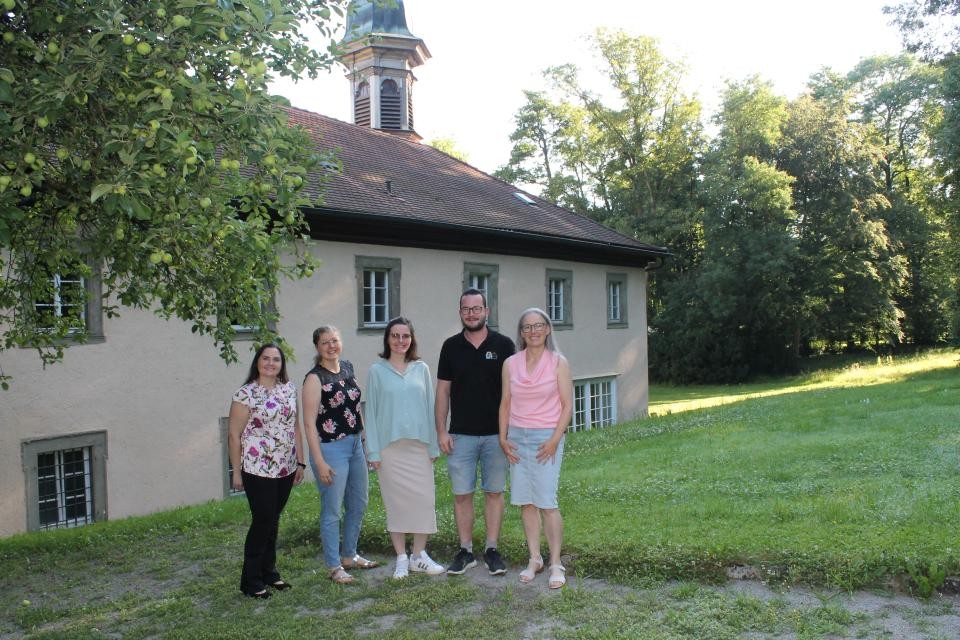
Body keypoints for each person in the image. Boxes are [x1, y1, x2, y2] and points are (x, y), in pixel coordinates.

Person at [436, 289, 515, 575]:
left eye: (476, 308)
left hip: (497, 436)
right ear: (460, 313)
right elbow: (443, 392)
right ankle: (465, 551)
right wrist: (441, 431)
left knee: (494, 492)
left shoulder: (504, 345)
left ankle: (492, 549)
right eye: (466, 309)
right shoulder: (450, 347)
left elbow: (513, 392)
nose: (472, 313)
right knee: (462, 495)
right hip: (461, 435)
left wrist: (510, 433)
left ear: (486, 311)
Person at [499, 309, 573, 589]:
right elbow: (505, 403)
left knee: (547, 502)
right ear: (521, 333)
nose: (533, 331)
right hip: (517, 437)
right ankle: (535, 558)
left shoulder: (558, 362)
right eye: (527, 327)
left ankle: (556, 563)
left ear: (548, 329)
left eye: (538, 326)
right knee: (526, 502)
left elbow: (567, 406)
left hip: (546, 438)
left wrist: (555, 439)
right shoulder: (510, 363)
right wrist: (503, 437)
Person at [365, 317, 444, 579]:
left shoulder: (421, 368)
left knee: (424, 502)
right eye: (395, 336)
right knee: (396, 505)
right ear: (387, 339)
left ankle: (418, 556)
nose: (401, 341)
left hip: (419, 448)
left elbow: (430, 407)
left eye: (405, 336)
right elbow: (372, 413)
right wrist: (373, 451)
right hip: (389, 450)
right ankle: (401, 557)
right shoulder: (377, 371)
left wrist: (433, 444)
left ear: (412, 339)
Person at [302, 326, 378, 585]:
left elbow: (356, 408)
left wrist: (366, 443)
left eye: (335, 340)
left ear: (341, 342)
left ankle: (349, 555)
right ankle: (334, 566)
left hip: (355, 444)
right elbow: (309, 424)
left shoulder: (347, 367)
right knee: (332, 509)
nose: (331, 346)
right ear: (317, 347)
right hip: (330, 448)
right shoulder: (314, 379)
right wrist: (319, 462)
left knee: (359, 503)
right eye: (325, 342)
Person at [228, 342, 305, 599]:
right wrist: (236, 472)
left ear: (282, 364)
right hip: (256, 468)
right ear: (257, 362)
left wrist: (300, 463)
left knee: (273, 521)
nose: (270, 363)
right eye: (265, 358)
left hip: (285, 467)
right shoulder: (245, 394)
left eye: (276, 359)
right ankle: (251, 581)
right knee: (262, 522)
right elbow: (233, 435)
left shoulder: (289, 390)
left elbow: (295, 428)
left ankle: (269, 573)